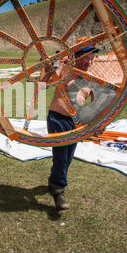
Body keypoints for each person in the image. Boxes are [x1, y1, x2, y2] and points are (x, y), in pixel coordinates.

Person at [43, 37, 102, 211]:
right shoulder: (64, 69)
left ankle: (53, 182)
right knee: (61, 156)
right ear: (76, 56)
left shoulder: (91, 79)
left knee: (67, 158)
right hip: (57, 118)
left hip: (75, 123)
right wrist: (47, 68)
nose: (89, 61)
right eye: (86, 57)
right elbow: (43, 84)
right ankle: (59, 191)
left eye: (92, 58)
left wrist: (98, 124)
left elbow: (96, 105)